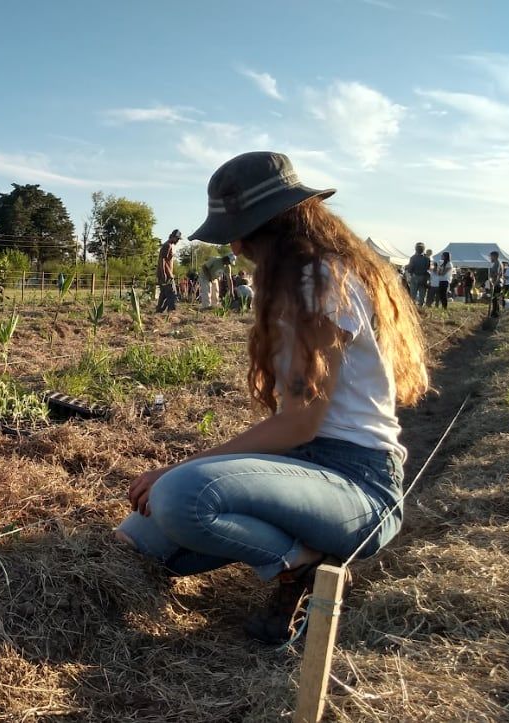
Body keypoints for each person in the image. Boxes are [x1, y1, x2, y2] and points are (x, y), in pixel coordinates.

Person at [117, 151, 428, 644]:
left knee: (180, 496)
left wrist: (178, 469)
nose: (236, 245)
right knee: (140, 539)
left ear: (276, 225)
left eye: (243, 231)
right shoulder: (302, 277)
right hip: (304, 470)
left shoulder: (321, 279)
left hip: (359, 482)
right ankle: (300, 548)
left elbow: (300, 421)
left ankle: (300, 565)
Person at [156, 230, 181, 313]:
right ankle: (171, 312)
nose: (178, 241)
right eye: (177, 239)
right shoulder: (168, 245)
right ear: (173, 237)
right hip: (166, 274)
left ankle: (159, 310)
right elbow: (162, 260)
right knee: (172, 294)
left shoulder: (167, 245)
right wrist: (164, 274)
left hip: (165, 274)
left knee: (163, 294)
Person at [488, 251, 503, 317]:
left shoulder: (497, 263)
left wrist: (494, 283)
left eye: (491, 256)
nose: (490, 258)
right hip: (496, 283)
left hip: (497, 284)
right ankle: (495, 312)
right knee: (495, 299)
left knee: (495, 299)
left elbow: (497, 274)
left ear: (495, 256)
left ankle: (495, 313)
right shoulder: (497, 263)